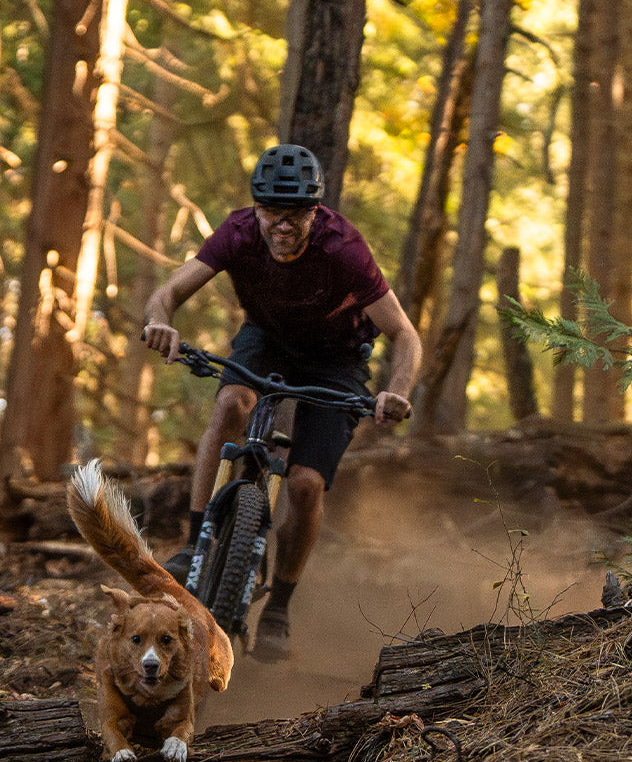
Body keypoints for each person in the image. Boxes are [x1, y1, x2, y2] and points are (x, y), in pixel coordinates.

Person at [141, 143, 422, 662]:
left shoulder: (344, 248)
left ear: (315, 212)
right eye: (272, 211)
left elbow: (405, 334)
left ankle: (279, 607)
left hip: (336, 361)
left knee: (306, 483)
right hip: (267, 339)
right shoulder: (238, 232)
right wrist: (161, 321)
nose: (282, 225)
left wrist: (396, 391)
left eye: (295, 214)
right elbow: (169, 292)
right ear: (257, 209)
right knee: (231, 406)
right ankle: (193, 541)